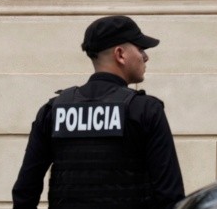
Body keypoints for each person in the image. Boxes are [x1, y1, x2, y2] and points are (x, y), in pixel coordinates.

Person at [12, 15, 185, 209]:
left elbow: (25, 192)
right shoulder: (145, 110)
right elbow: (171, 196)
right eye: (140, 48)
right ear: (120, 54)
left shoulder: (53, 111)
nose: (145, 56)